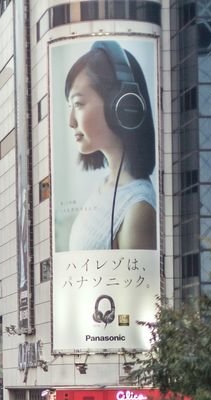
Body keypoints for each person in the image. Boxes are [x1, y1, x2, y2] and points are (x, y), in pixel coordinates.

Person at [61, 41, 157, 252]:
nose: (71, 121)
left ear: (121, 105)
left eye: (78, 104)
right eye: (70, 106)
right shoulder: (105, 186)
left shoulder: (137, 208)